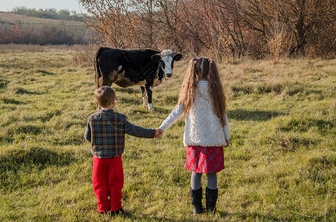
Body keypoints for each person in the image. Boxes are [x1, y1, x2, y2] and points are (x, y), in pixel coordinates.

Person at [158, 57, 230, 215]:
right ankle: (211, 208)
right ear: (211, 71)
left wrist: (162, 128)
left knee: (195, 172)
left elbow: (175, 113)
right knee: (212, 174)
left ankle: (196, 209)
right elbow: (224, 117)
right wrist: (227, 136)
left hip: (195, 140)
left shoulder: (190, 91)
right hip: (214, 140)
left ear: (194, 71)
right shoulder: (216, 91)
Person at [84, 85, 163, 216]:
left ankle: (103, 209)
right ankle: (116, 208)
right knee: (116, 183)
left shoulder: (91, 119)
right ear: (113, 101)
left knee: (99, 184)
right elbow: (135, 130)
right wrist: (153, 133)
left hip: (98, 159)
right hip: (115, 158)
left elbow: (87, 137)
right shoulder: (120, 119)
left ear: (97, 103)